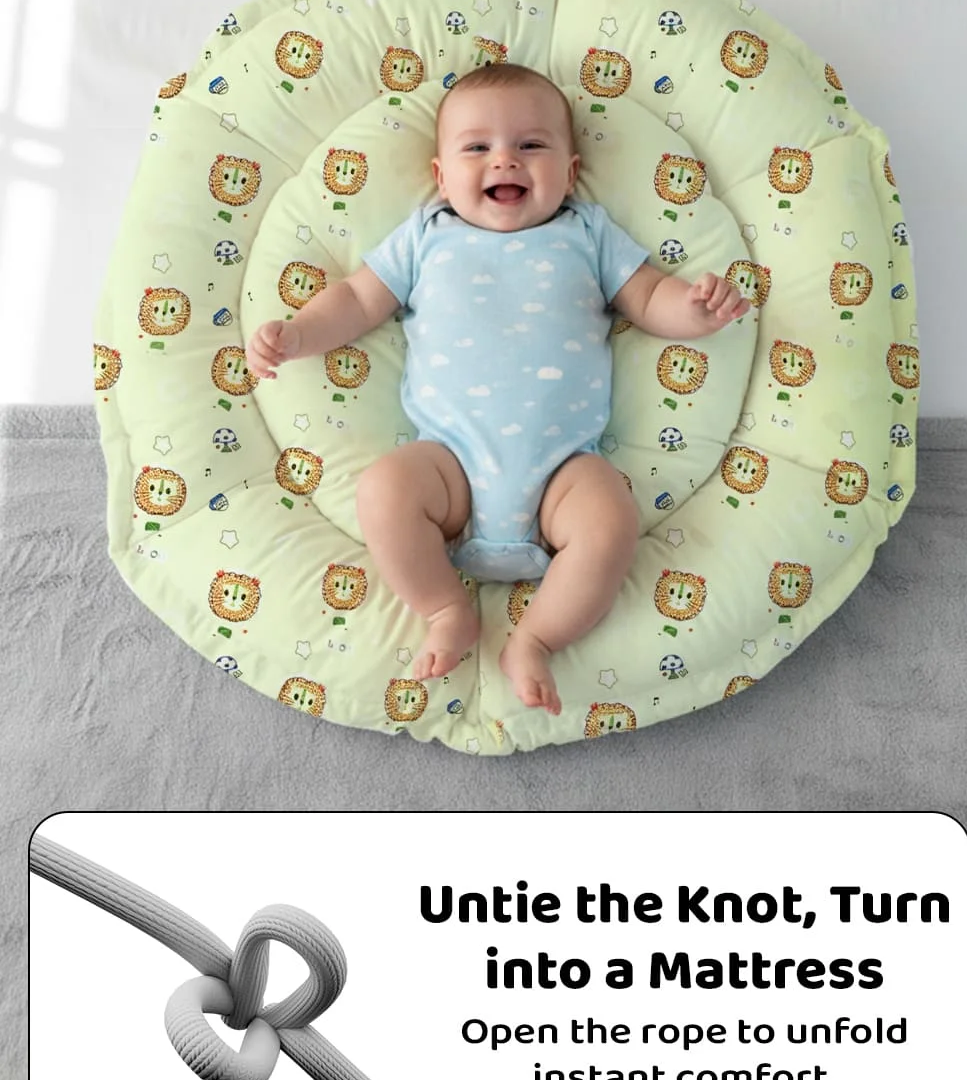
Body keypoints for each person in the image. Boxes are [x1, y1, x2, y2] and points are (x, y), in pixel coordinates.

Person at [245, 60, 748, 717]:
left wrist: (696, 311)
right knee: (384, 489)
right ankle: (445, 608)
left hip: (562, 472)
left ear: (569, 172)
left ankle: (537, 636)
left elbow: (650, 295)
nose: (504, 160)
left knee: (610, 517)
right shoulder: (426, 236)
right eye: (477, 148)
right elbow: (357, 299)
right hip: (448, 467)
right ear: (441, 175)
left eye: (532, 145)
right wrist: (300, 334)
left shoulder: (587, 234)